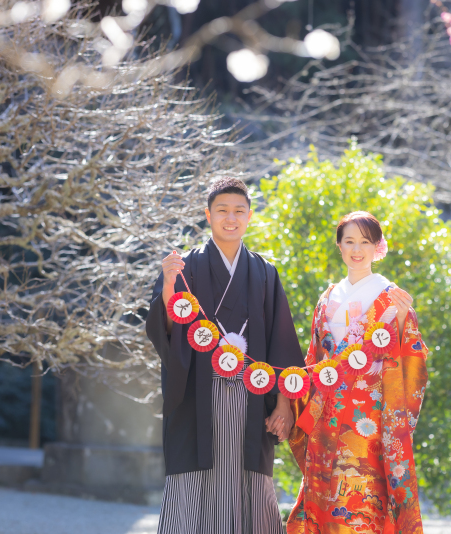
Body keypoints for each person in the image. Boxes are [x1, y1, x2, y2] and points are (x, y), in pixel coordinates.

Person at [145, 177, 305, 534]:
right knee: (192, 486)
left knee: (251, 487)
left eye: (238, 211)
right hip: (197, 395)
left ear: (249, 216)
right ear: (208, 215)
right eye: (222, 211)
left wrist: (283, 405)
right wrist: (169, 285)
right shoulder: (184, 267)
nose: (230, 218)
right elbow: (166, 329)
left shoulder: (265, 272)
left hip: (252, 397)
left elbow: (281, 344)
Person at [286, 211, 429, 534]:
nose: (356, 249)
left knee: (363, 494)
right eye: (349, 241)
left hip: (368, 417)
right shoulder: (327, 298)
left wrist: (403, 319)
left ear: (377, 246)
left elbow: (411, 356)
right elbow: (315, 358)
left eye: (365, 242)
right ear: (339, 245)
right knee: (323, 494)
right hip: (327, 413)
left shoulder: (390, 296)